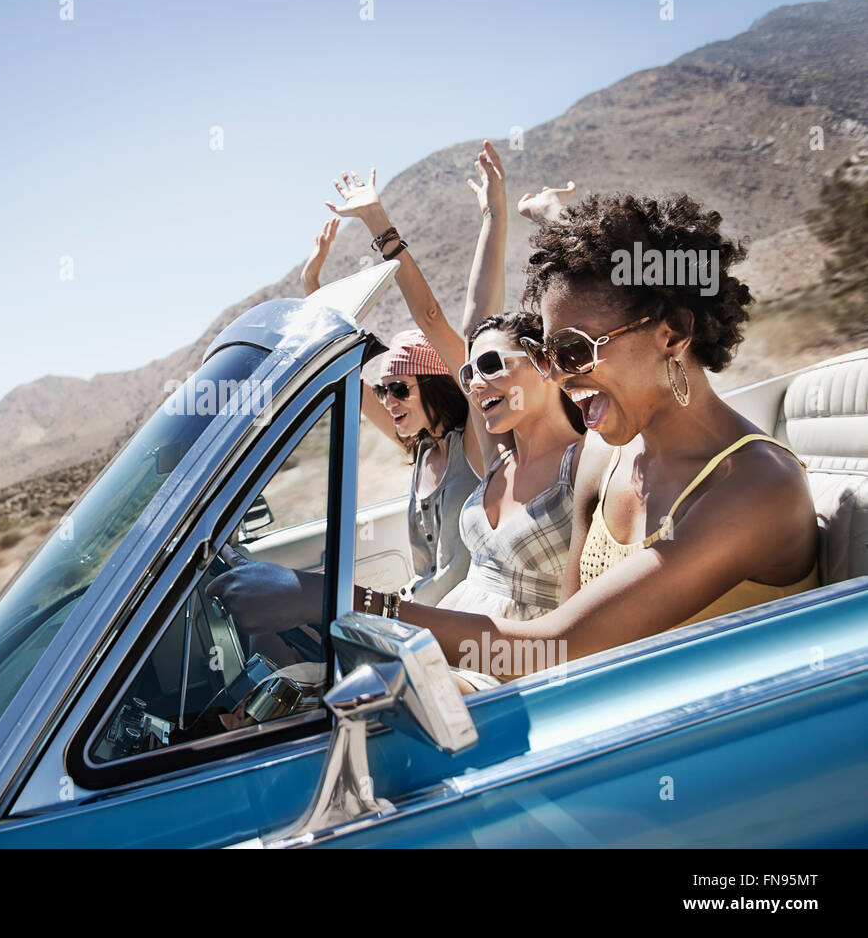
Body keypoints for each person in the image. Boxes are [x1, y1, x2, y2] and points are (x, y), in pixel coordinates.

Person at [360, 191, 821, 681]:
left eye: (574, 350)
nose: (558, 375)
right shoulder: (603, 454)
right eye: (546, 355)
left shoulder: (756, 487)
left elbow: (554, 650)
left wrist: (360, 607)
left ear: (673, 333)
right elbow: (569, 658)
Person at [324, 144, 586, 621]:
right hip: (447, 632)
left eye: (491, 366)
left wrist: (500, 213)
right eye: (469, 373)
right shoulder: (498, 457)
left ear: (543, 361)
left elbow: (439, 319)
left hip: (510, 652)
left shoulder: (585, 459)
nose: (476, 383)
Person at [302, 224, 477, 605]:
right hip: (423, 610)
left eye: (399, 388)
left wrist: (381, 229)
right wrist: (311, 283)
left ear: (434, 384)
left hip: (460, 617)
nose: (388, 401)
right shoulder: (422, 448)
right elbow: (349, 374)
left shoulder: (476, 443)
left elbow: (431, 318)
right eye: (384, 390)